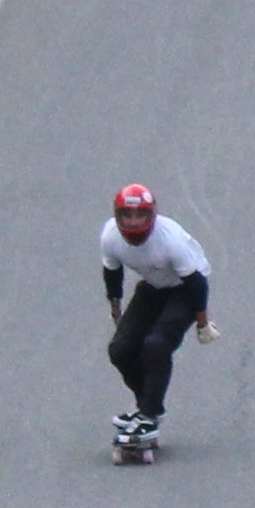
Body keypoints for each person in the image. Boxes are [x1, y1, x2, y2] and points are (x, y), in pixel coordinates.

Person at [98, 184, 213, 460]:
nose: (134, 222)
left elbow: (196, 283)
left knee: (157, 344)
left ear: (152, 216)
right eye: (127, 215)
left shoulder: (169, 239)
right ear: (117, 217)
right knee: (120, 349)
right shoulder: (110, 237)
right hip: (153, 286)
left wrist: (202, 324)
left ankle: (148, 412)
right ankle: (148, 409)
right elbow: (112, 275)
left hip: (185, 290)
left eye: (140, 216)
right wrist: (117, 314)